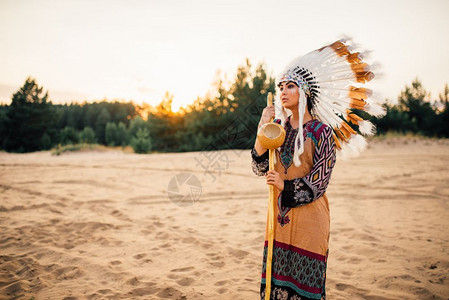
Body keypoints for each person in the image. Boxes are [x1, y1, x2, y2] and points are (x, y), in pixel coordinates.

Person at [251, 38, 381, 300]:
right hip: (278, 219)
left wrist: (283, 185)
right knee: (274, 287)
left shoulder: (322, 132)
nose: (283, 92)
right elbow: (259, 166)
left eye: (290, 86)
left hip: (310, 219)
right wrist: (261, 130)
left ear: (306, 92)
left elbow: (320, 182)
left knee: (304, 289)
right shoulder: (278, 127)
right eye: (281, 87)